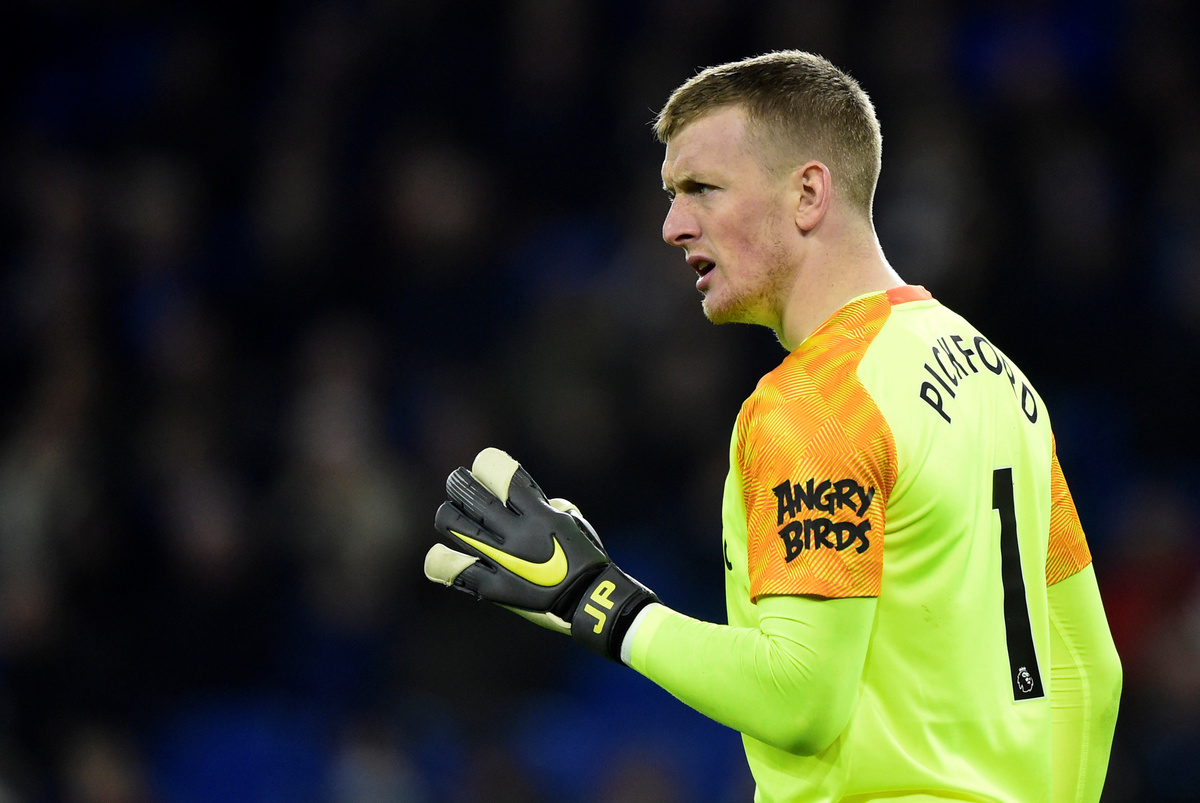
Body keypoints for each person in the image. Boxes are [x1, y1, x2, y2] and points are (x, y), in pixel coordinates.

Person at [424, 50, 1122, 802]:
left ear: (808, 193)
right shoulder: (997, 377)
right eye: (671, 194)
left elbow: (800, 698)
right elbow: (1091, 673)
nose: (671, 226)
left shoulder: (816, 403)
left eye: (702, 189)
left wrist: (599, 602)